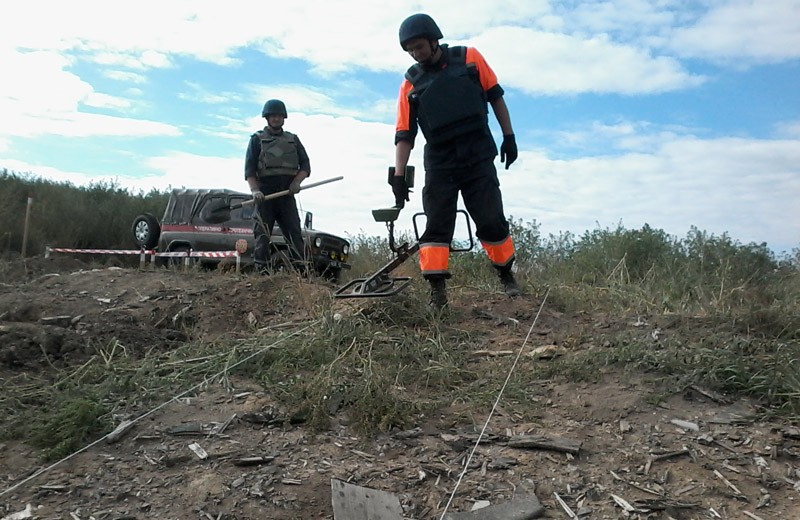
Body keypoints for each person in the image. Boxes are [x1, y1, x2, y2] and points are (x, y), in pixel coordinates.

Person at [391, 13, 521, 309]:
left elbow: (496, 97)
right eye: (410, 50)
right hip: (440, 163)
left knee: (490, 218)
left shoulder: (470, 59)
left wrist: (509, 136)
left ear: (434, 40)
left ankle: (506, 277)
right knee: (437, 225)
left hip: (477, 155)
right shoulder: (410, 84)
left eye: (419, 46)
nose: (415, 53)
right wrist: (399, 175)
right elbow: (404, 134)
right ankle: (437, 294)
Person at [244, 99, 310, 272]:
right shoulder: (257, 140)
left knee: (294, 233)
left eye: (279, 116)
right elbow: (249, 170)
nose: (276, 119)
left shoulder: (293, 140)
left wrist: (296, 182)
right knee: (262, 235)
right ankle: (262, 271)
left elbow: (305, 166)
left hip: (287, 194)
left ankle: (300, 272)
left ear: (284, 118)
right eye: (273, 116)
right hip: (265, 195)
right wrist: (255, 190)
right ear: (267, 118)